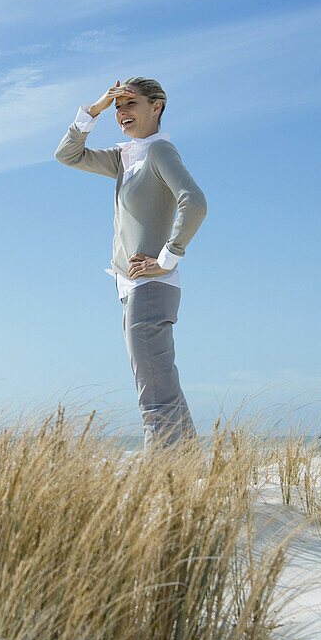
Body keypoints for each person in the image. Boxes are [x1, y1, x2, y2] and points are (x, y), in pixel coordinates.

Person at [54, 78, 206, 452]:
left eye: (130, 103)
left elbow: (195, 202)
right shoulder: (126, 157)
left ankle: (160, 485)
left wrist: (167, 258)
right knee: (162, 386)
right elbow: (67, 155)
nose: (122, 112)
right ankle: (191, 478)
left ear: (156, 107)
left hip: (151, 287)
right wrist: (94, 109)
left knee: (154, 397)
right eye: (118, 106)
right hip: (133, 288)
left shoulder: (159, 153)